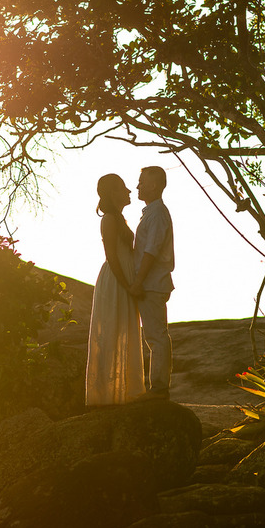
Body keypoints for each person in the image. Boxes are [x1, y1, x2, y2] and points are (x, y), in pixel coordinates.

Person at [85, 173, 147, 406]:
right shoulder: (110, 219)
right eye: (123, 188)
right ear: (112, 193)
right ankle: (106, 395)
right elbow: (111, 256)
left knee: (125, 330)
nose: (129, 191)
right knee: (112, 331)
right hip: (116, 282)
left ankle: (124, 391)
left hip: (125, 281)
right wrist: (129, 285)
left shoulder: (119, 219)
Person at [129, 166, 175, 400]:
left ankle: (158, 388)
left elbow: (151, 251)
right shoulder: (152, 212)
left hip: (153, 283)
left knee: (156, 336)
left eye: (141, 182)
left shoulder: (157, 214)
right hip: (152, 282)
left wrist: (138, 281)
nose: (137, 186)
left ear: (154, 185)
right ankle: (157, 387)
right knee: (154, 336)